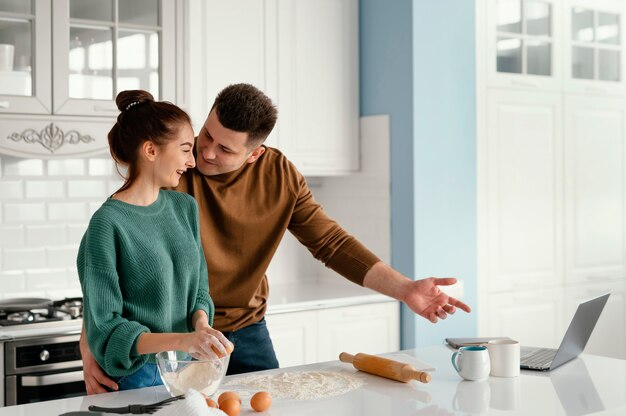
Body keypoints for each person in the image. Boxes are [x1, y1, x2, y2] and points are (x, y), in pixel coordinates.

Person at [80, 83, 471, 394]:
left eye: (224, 149)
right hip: (172, 342)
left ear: (254, 154)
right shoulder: (173, 172)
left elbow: (330, 243)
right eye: (205, 137)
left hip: (245, 329)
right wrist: (93, 343)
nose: (204, 154)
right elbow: (111, 266)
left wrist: (404, 289)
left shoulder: (278, 175)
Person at [77, 90, 232, 392]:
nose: (192, 161)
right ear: (150, 150)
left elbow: (199, 287)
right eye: (186, 149)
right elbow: (107, 325)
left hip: (187, 367)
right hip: (136, 376)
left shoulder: (184, 207)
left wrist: (202, 327)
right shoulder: (107, 224)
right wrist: (184, 340)